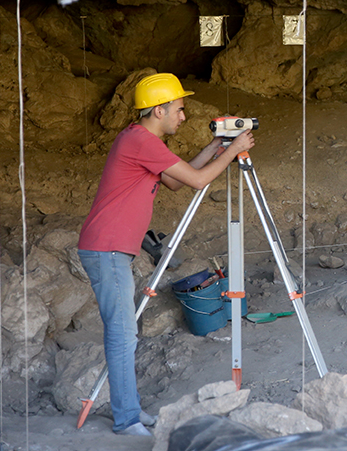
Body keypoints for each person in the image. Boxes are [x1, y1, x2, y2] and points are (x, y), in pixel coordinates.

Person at [77, 73, 254, 435]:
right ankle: (126, 420)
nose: (183, 116)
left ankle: (131, 411)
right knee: (123, 334)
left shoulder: (138, 138)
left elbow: (175, 179)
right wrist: (234, 151)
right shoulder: (140, 141)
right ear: (159, 110)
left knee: (124, 332)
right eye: (179, 109)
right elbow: (198, 180)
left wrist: (217, 146)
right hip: (106, 248)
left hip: (109, 248)